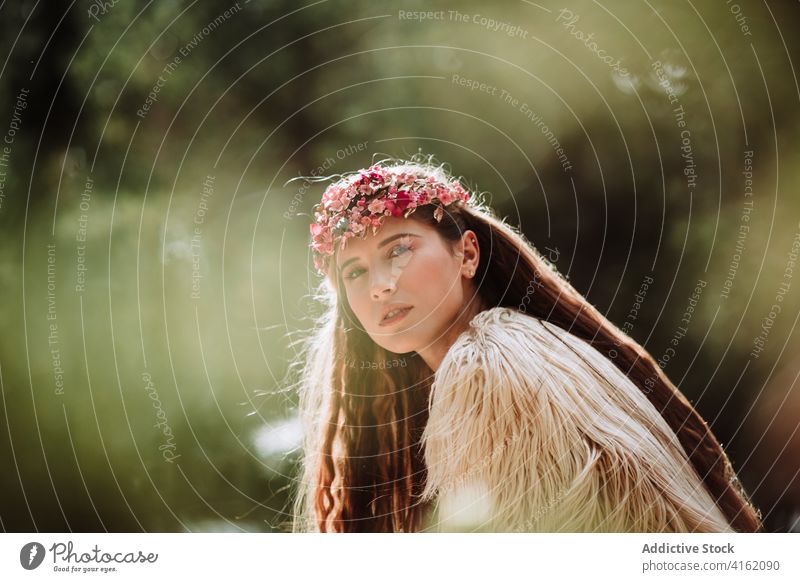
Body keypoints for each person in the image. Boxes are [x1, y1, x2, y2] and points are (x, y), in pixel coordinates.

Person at [290, 154, 763, 533]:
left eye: (399, 249)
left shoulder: (487, 363)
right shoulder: (518, 343)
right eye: (354, 272)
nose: (380, 285)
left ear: (467, 253)